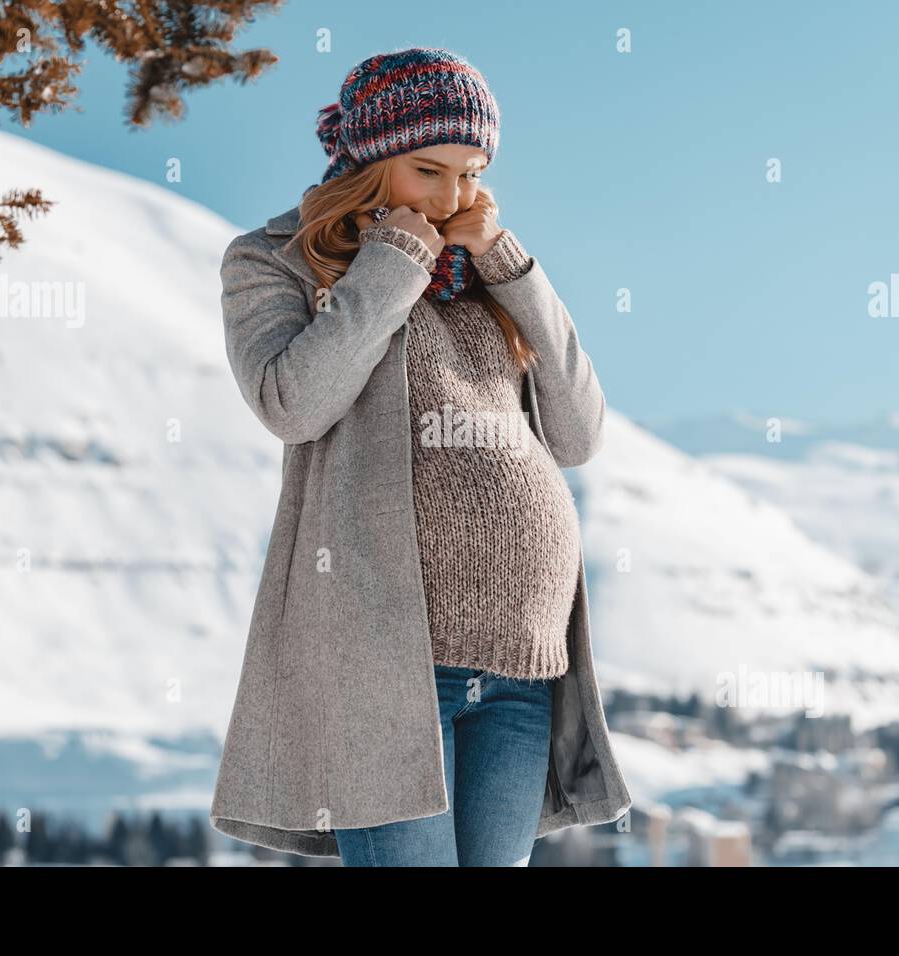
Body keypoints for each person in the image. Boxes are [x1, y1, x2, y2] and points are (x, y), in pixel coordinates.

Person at [212, 46, 626, 866]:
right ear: (368, 162)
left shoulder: (487, 275)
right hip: (384, 659)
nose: (452, 198)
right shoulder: (274, 262)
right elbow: (292, 402)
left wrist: (511, 269)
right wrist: (394, 265)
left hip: (523, 657)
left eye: (471, 173)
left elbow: (578, 434)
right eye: (428, 171)